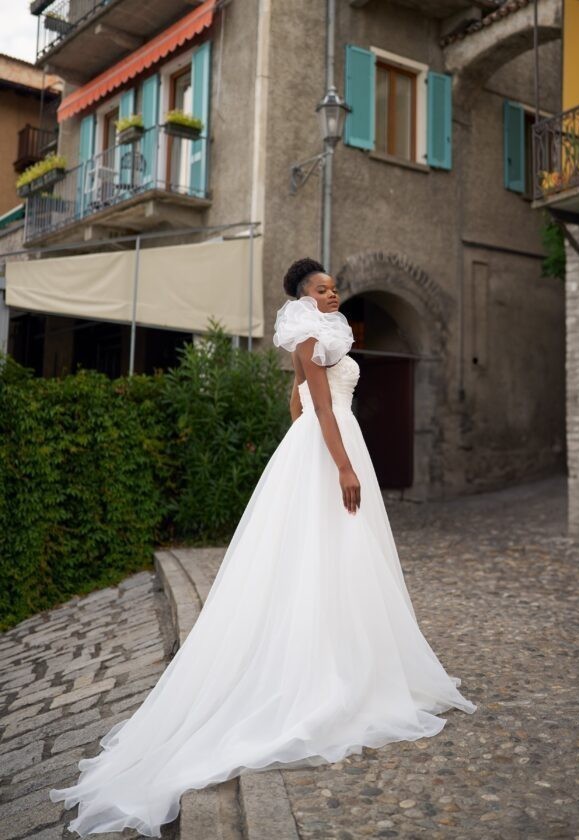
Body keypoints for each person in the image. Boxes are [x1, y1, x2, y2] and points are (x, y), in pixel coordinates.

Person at [48, 257, 477, 837]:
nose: (334, 294)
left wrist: (316, 432)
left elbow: (296, 403)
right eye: (323, 289)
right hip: (332, 446)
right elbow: (317, 406)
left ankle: (348, 653)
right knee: (333, 548)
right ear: (304, 296)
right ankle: (332, 671)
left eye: (335, 287)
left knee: (338, 554)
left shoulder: (317, 337)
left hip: (324, 442)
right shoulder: (310, 337)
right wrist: (342, 466)